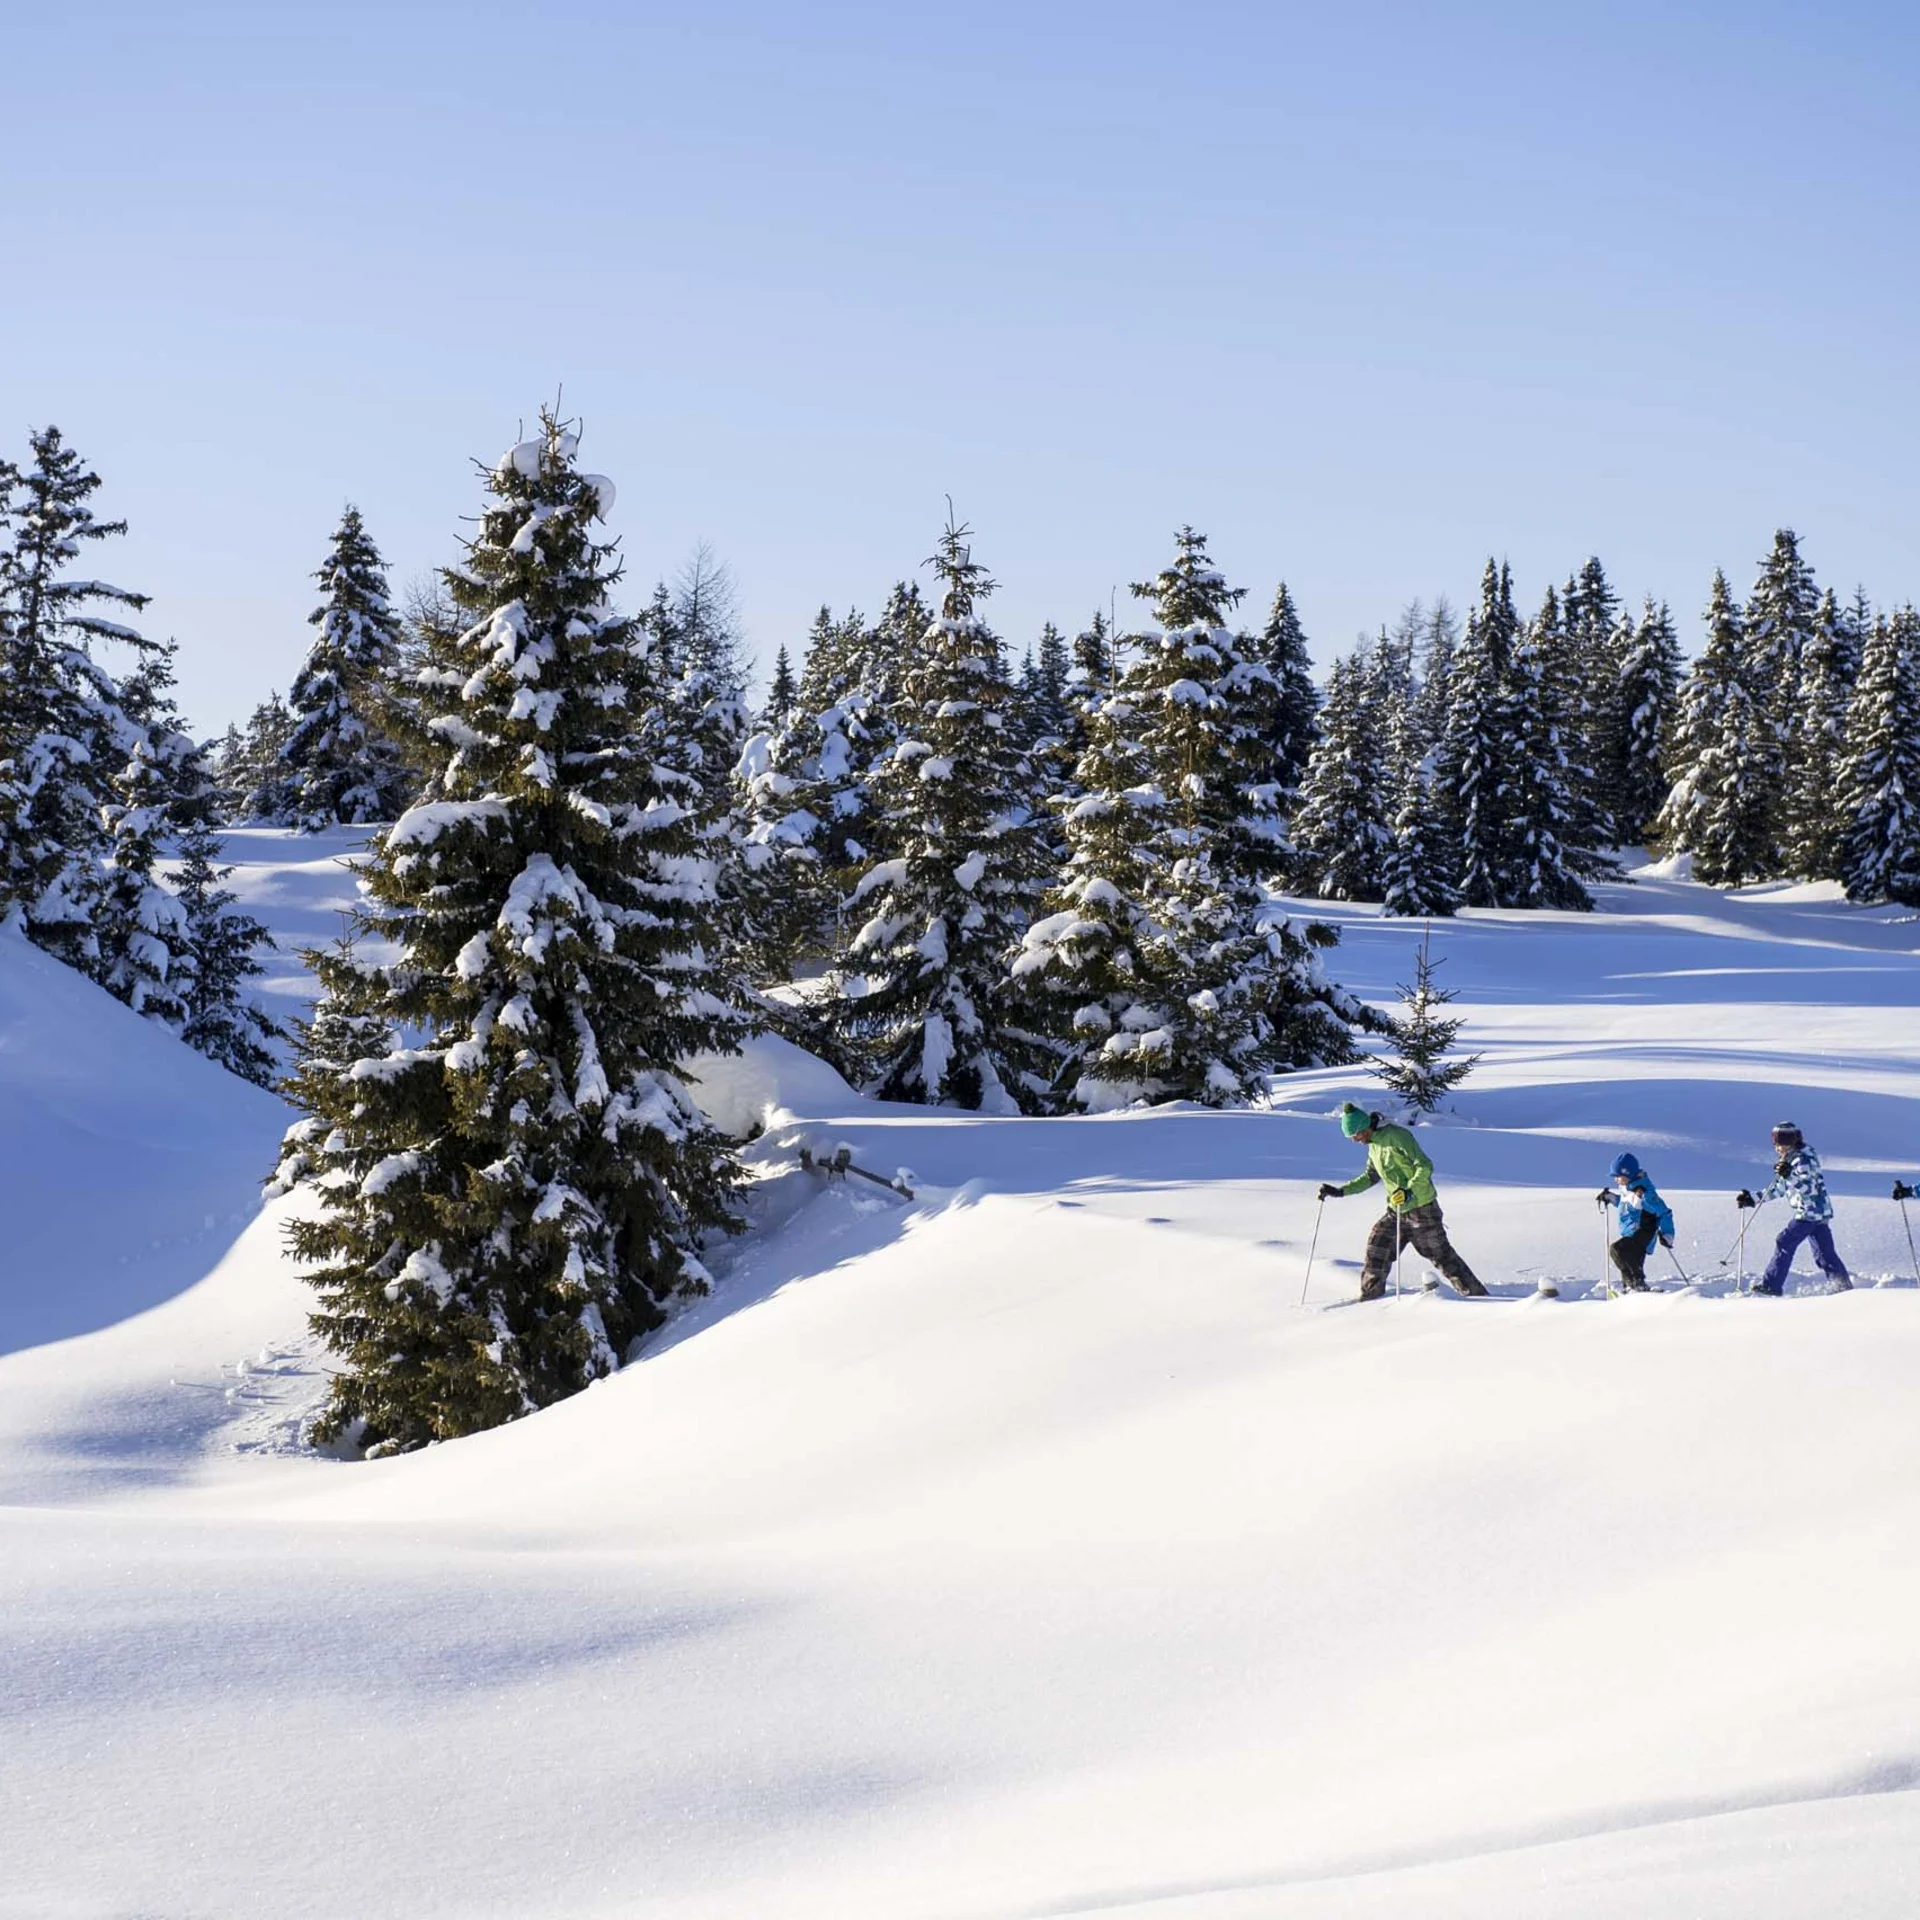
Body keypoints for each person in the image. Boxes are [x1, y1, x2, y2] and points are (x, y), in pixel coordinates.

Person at [1318, 1101, 1488, 1300]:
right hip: (1396, 1210)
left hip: (1422, 1208)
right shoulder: (1373, 1145)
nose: (1354, 1140)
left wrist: (1409, 1191)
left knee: (1441, 1256)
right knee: (1377, 1246)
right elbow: (1371, 1176)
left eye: (1355, 1135)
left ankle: (1477, 1297)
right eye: (1350, 1137)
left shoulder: (1397, 1136)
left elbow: (1424, 1166)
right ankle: (1370, 1298)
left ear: (1364, 1127)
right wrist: (1340, 1191)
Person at [1735, 1121, 1851, 1295]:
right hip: (1817, 1213)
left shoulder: (1803, 1160)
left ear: (1793, 1141)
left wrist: (1789, 1175)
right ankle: (1842, 1286)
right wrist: (1752, 1198)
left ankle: (1771, 1286)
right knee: (1824, 1253)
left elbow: (1809, 1189)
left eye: (1783, 1142)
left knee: (1785, 1241)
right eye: (1776, 1142)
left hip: (1809, 1212)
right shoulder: (1789, 1160)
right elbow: (1778, 1189)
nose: (1778, 1147)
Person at [1596, 1151, 1676, 1291]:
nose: (1615, 1180)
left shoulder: (1645, 1192)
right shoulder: (1627, 1188)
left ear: (1627, 1174)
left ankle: (1638, 1286)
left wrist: (1668, 1235)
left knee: (1618, 1250)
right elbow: (1625, 1203)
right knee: (1629, 1264)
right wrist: (1610, 1198)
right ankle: (1631, 1290)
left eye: (1618, 1176)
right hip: (1630, 1232)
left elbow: (1664, 1212)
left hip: (1642, 1232)